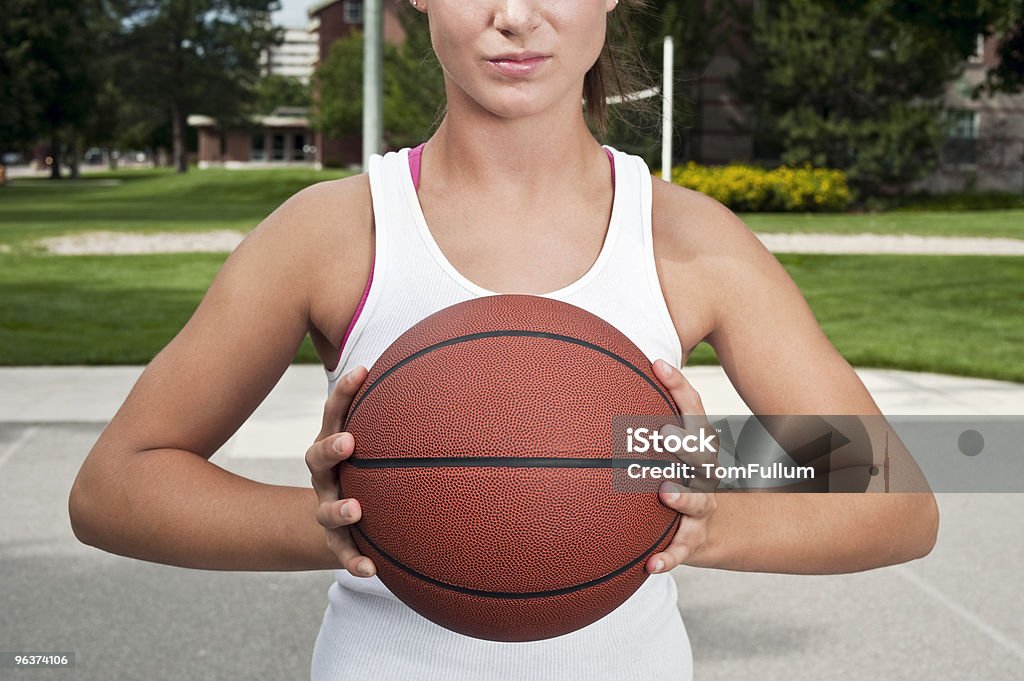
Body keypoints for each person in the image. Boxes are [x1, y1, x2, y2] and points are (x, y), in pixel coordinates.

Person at [69, 1, 939, 679]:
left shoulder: (689, 243)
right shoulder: (335, 233)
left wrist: (700, 526)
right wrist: (338, 523)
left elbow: (894, 504)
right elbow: (115, 485)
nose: (515, 18)